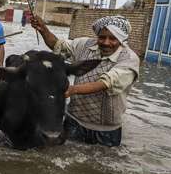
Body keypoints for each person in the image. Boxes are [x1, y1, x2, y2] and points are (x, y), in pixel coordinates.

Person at [30, 15, 140, 147]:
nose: (106, 42)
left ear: (122, 40)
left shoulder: (129, 59)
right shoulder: (85, 45)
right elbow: (58, 45)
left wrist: (72, 90)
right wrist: (43, 29)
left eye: (112, 38)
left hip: (106, 129)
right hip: (74, 121)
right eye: (102, 37)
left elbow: (105, 83)